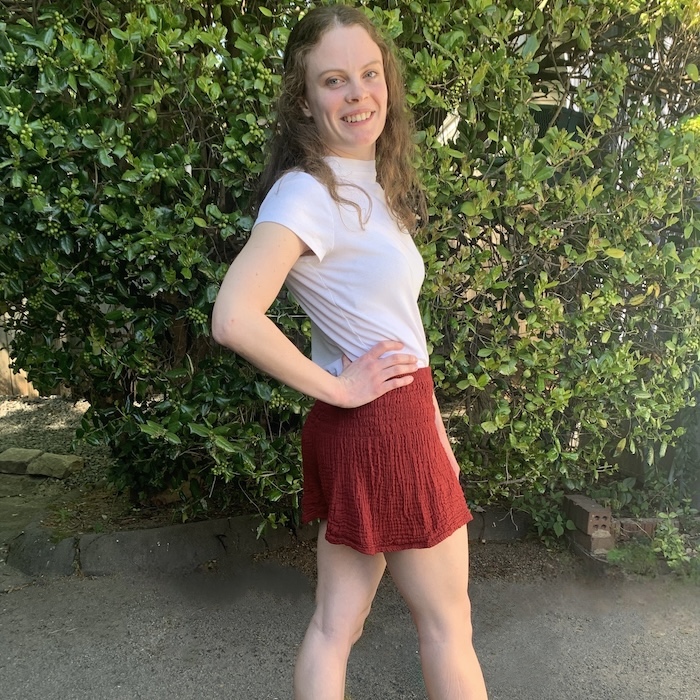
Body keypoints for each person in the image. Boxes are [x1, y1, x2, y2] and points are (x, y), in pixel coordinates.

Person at [212, 5, 488, 699]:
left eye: (369, 73)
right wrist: (339, 389)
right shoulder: (306, 194)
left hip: (383, 422)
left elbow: (391, 326)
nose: (358, 93)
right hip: (381, 424)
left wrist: (435, 429)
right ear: (305, 100)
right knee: (448, 625)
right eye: (334, 80)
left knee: (336, 625)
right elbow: (234, 317)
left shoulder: (365, 185)